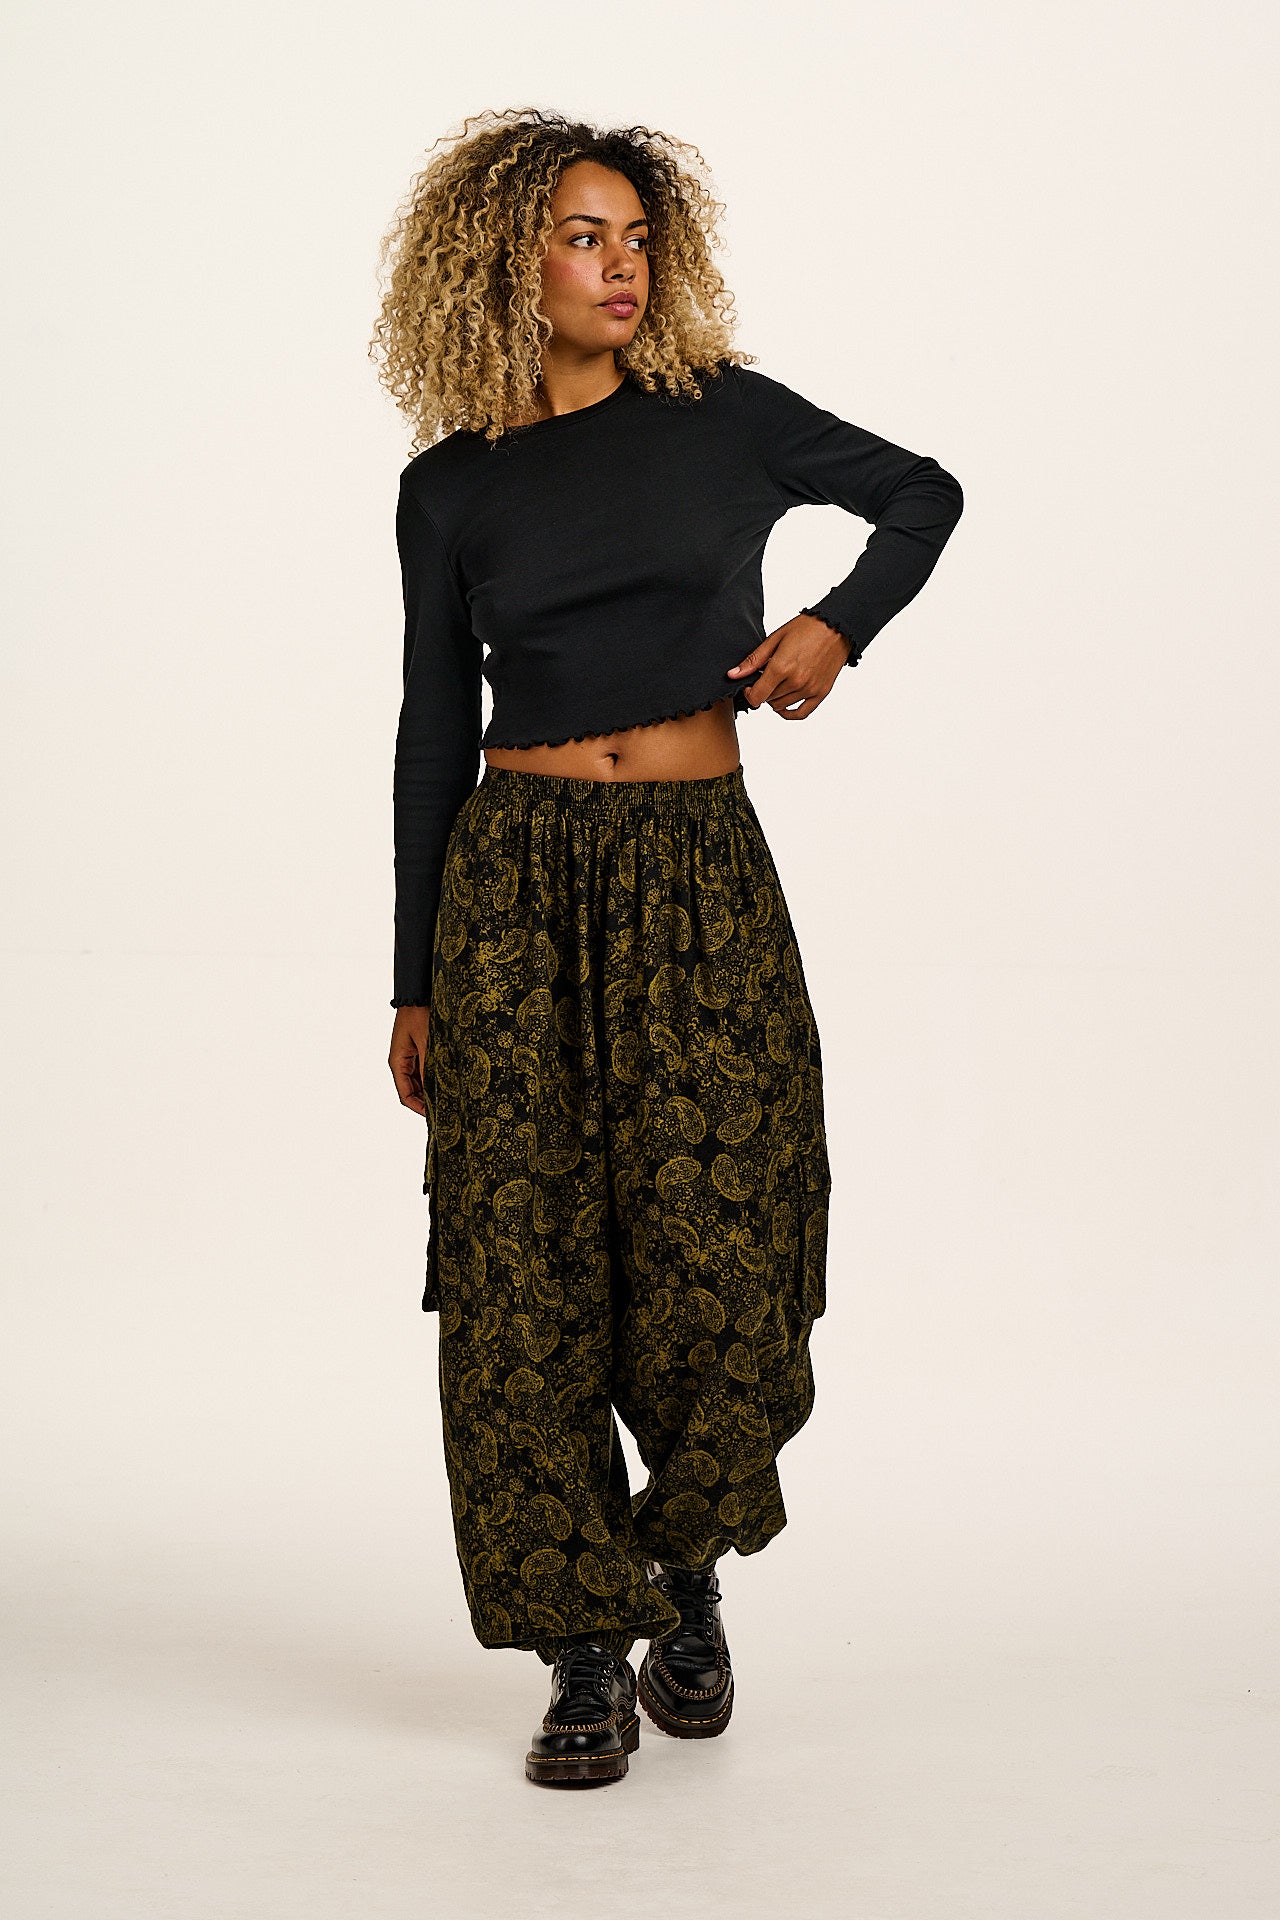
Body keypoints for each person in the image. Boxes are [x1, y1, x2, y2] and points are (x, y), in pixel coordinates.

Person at [369, 106, 963, 1788]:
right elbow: (433, 731)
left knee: (727, 1238)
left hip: (699, 874)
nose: (619, 266)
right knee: (522, 1264)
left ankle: (682, 1560)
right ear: (506, 262)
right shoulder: (448, 487)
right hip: (514, 884)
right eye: (583, 237)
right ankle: (581, 1638)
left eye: (636, 237)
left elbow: (921, 495)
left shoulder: (725, 420)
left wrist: (836, 626)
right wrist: (413, 976)